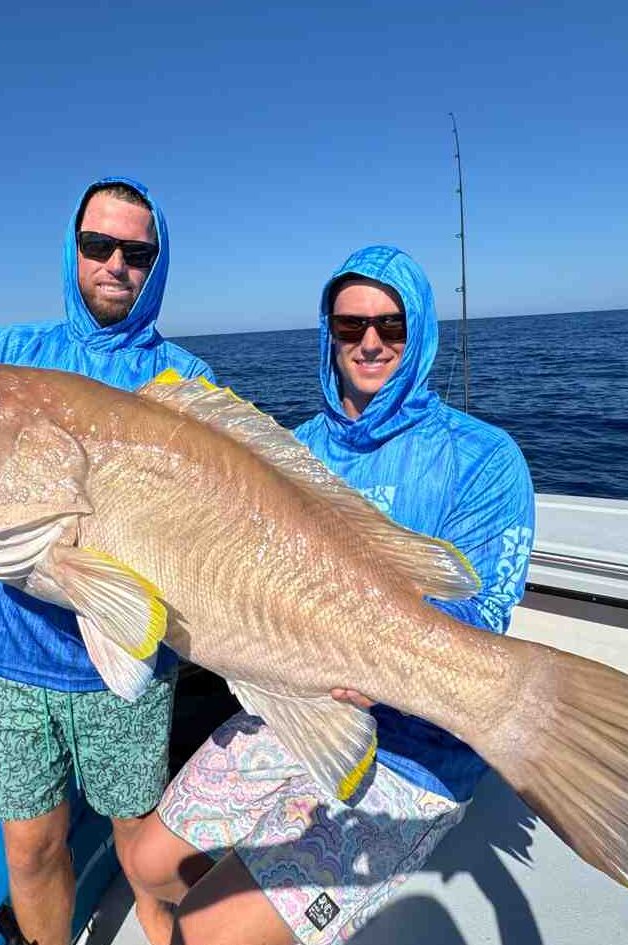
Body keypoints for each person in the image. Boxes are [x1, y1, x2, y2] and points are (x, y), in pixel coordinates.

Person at [125, 245, 535, 945]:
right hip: (294, 707)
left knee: (210, 930)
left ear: (420, 330)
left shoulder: (484, 456)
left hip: (420, 746)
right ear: (329, 333)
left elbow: (483, 616)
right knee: (147, 862)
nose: (370, 341)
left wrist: (368, 655)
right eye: (350, 327)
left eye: (391, 325)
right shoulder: (292, 447)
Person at [0, 177, 214, 945]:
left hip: (126, 659)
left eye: (136, 252)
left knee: (144, 848)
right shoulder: (10, 353)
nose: (115, 264)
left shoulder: (188, 383)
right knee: (30, 844)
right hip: (11, 658)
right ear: (72, 251)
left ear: (157, 263)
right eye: (97, 245)